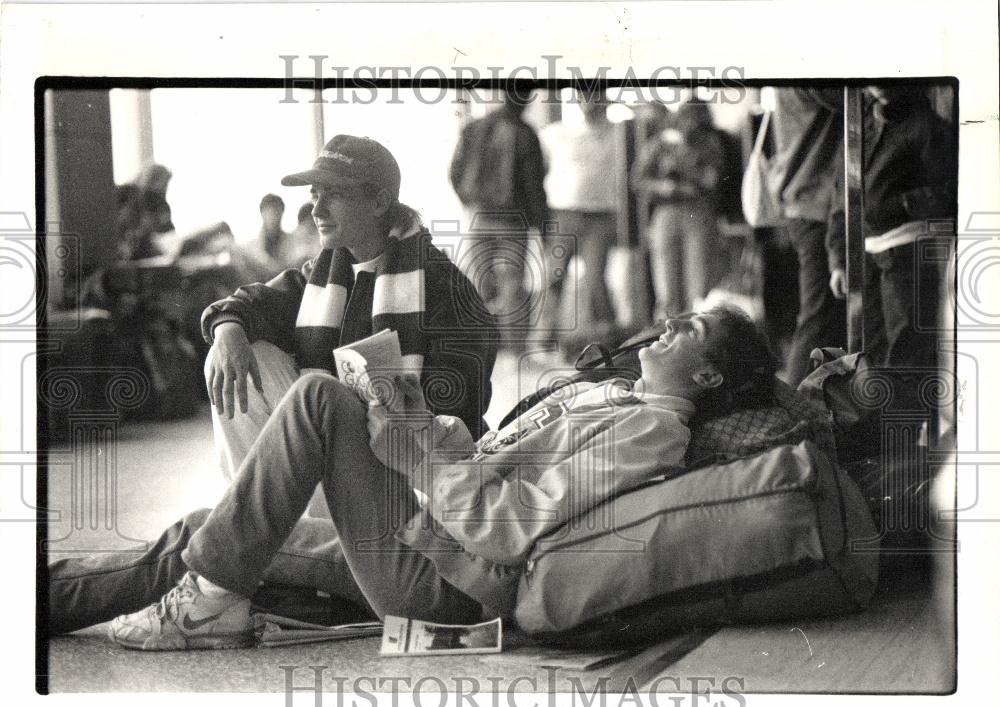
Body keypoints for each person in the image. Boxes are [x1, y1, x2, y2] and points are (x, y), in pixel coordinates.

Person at [47, 305, 776, 649]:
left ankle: (210, 599)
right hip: (436, 533)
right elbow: (491, 463)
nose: (671, 326)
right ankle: (41, 599)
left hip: (454, 579)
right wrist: (414, 423)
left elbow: (512, 525)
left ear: (708, 374)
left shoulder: (651, 430)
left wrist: (416, 456)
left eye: (693, 332)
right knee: (207, 531)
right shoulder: (619, 398)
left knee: (316, 399)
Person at [202, 135, 499, 497]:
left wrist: (380, 410)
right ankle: (255, 516)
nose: (317, 209)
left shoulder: (443, 287)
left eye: (334, 194)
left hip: (410, 475)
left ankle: (323, 534)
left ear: (378, 201)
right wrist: (227, 330)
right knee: (242, 359)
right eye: (314, 194)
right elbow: (251, 301)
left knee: (320, 395)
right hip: (341, 455)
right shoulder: (325, 276)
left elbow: (460, 417)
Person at [826, 86, 956, 369]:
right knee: (868, 351)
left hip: (905, 252)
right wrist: (838, 259)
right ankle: (875, 412)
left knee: (905, 352)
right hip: (865, 253)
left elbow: (950, 191)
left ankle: (901, 413)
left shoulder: (926, 126)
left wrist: (899, 204)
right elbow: (841, 196)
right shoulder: (858, 125)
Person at [449, 86, 549, 343]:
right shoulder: (526, 133)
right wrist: (542, 226)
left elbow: (454, 172)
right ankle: (515, 352)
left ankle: (483, 348)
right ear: (525, 100)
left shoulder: (474, 128)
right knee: (511, 286)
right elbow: (533, 186)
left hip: (478, 218)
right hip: (512, 222)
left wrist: (470, 203)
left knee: (478, 283)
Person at [770, 89, 846, 386]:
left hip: (806, 199)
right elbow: (851, 96)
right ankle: (793, 407)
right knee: (818, 316)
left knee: (820, 314)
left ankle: (799, 404)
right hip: (816, 199)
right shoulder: (814, 78)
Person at [537, 87, 619, 343]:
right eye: (585, 95)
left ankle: (607, 343)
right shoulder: (556, 133)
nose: (591, 102)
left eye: (597, 96)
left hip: (600, 216)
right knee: (554, 276)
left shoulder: (618, 133)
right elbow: (539, 171)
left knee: (596, 278)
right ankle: (543, 341)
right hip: (563, 214)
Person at [632, 99, 726, 321]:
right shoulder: (660, 143)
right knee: (666, 290)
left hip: (698, 210)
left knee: (699, 288)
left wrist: (684, 157)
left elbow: (711, 180)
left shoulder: (710, 144)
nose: (689, 125)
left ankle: (697, 339)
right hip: (666, 212)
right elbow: (638, 180)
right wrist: (665, 187)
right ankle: (665, 339)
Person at [233, 193, 295, 280]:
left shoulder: (293, 242)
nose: (274, 216)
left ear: (282, 213)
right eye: (270, 212)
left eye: (277, 211)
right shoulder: (250, 247)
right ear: (262, 213)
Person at [288, 200, 320, 266]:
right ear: (301, 222)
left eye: (312, 221)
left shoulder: (321, 237)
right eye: (306, 221)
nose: (309, 224)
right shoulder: (292, 238)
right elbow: (289, 259)